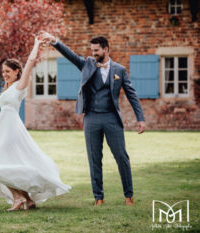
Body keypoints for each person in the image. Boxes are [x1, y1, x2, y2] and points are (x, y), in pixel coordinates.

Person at [0, 36, 70, 211]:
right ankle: (27, 200)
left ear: (17, 71)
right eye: (3, 72)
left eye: (8, 71)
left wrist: (36, 45)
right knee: (2, 163)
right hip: (4, 128)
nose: (5, 74)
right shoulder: (6, 88)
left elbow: (31, 62)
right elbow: (3, 113)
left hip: (12, 128)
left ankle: (18, 198)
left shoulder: (19, 85)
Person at [40, 31, 146, 206]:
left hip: (112, 118)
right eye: (92, 50)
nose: (93, 53)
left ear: (106, 49)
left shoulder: (119, 70)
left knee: (122, 157)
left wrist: (140, 119)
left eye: (96, 50)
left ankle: (129, 196)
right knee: (94, 159)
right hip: (91, 118)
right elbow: (71, 55)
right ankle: (99, 198)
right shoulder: (87, 64)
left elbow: (132, 95)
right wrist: (55, 42)